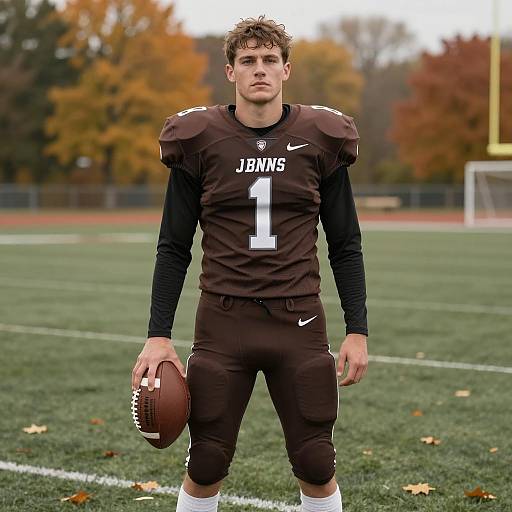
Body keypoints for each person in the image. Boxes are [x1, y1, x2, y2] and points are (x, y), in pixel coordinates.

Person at [131, 15, 368, 512]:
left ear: (286, 70)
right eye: (248, 61)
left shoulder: (321, 138)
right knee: (206, 461)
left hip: (298, 320)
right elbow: (173, 246)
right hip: (223, 321)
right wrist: (157, 334)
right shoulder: (199, 139)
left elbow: (345, 242)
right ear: (230, 72)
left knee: (317, 462)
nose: (259, 69)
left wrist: (357, 329)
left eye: (269, 60)